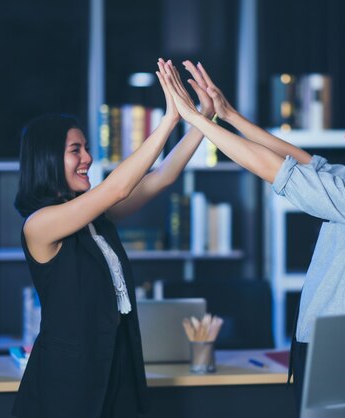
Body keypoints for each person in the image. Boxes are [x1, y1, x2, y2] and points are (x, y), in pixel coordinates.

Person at [160, 60, 345, 412]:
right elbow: (305, 163)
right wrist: (227, 114)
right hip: (336, 347)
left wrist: (196, 118)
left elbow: (274, 169)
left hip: (338, 352)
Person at [11, 59, 214, 418]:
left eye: (85, 148)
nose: (87, 158)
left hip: (117, 362)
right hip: (69, 380)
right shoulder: (39, 225)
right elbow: (118, 188)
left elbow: (162, 177)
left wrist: (202, 118)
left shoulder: (95, 219)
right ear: (47, 159)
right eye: (76, 150)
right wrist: (170, 119)